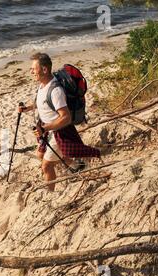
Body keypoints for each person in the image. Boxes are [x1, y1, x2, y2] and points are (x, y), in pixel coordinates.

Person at [18, 53, 100, 191]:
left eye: (33, 68)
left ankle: (50, 194)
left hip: (58, 131)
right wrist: (28, 108)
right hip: (47, 130)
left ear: (44, 69)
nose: (31, 72)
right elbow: (43, 102)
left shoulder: (56, 91)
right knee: (40, 155)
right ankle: (76, 166)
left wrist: (45, 128)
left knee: (46, 166)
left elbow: (65, 117)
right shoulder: (43, 84)